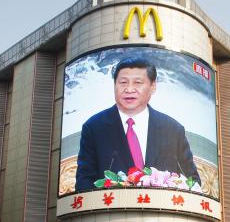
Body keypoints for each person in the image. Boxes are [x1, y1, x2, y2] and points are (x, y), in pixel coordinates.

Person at [74, 57, 201, 192]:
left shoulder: (173, 130)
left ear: (153, 86)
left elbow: (193, 182)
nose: (129, 89)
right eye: (123, 82)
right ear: (114, 85)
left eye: (138, 83)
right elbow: (84, 183)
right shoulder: (94, 127)